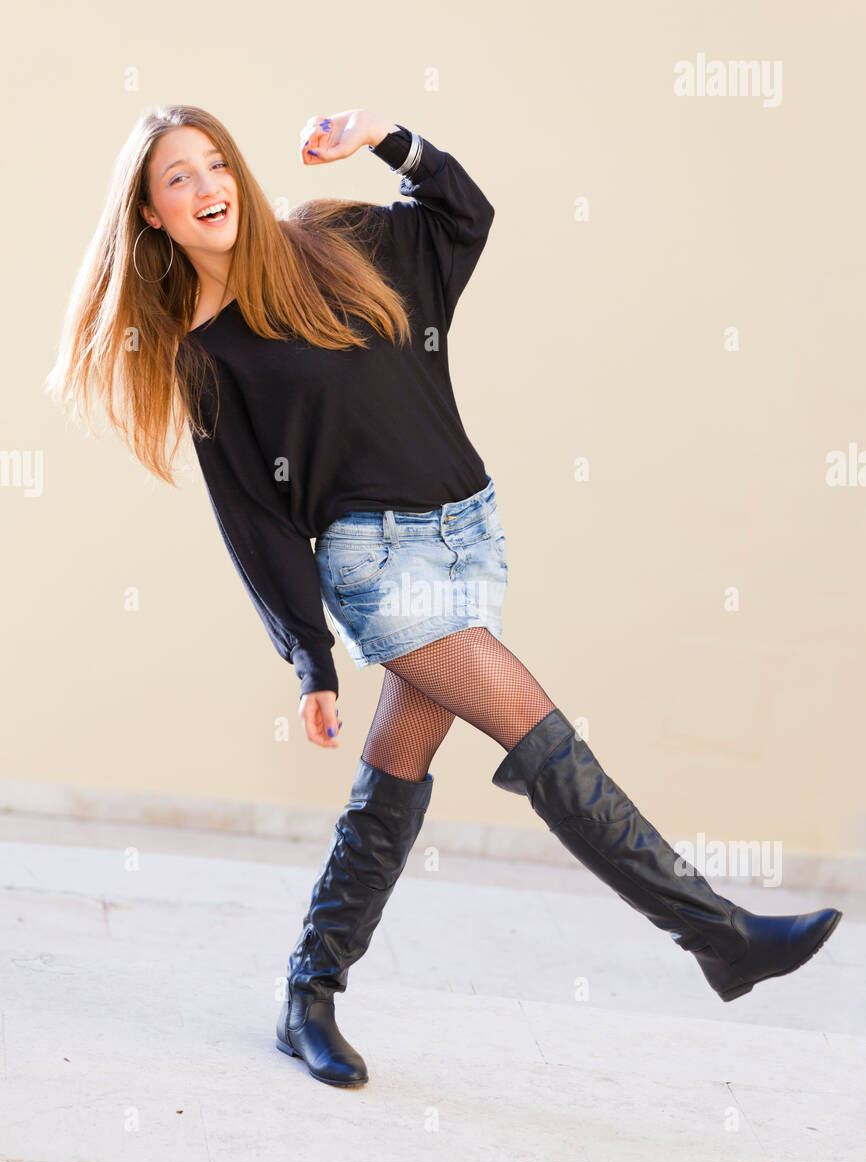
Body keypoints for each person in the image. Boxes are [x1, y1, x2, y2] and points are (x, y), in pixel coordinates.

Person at [45, 104, 842, 1091]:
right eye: (178, 178)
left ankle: (309, 994)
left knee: (395, 769)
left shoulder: (334, 240)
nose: (208, 186)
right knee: (533, 722)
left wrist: (387, 137)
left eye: (216, 163)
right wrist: (311, 659)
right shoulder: (210, 355)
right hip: (374, 562)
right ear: (153, 215)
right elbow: (256, 521)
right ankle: (714, 931)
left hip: (471, 528)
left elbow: (462, 214)